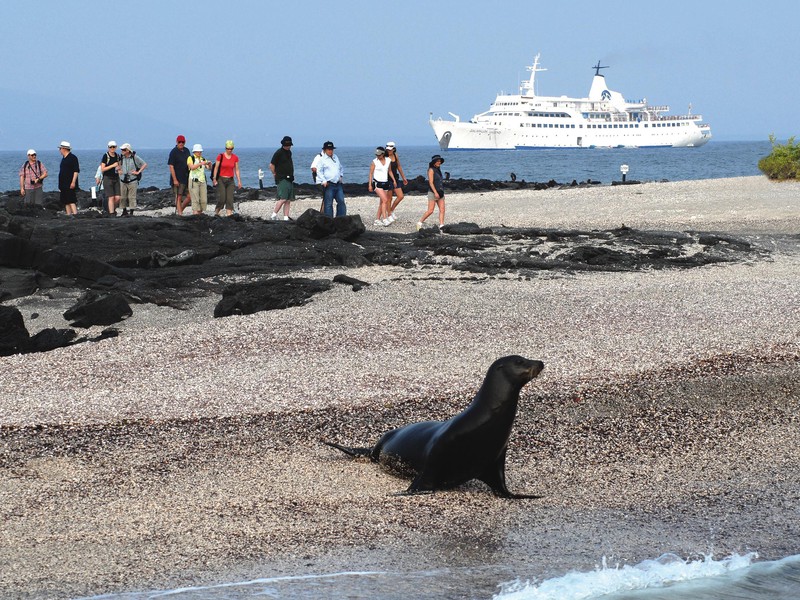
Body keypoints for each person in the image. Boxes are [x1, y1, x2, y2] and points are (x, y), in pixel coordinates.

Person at [368, 146, 396, 227]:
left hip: (385, 183)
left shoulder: (388, 160)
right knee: (385, 200)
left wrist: (394, 180)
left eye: (379, 155)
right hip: (377, 183)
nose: (378, 156)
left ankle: (377, 219)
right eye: (377, 155)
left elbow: (389, 171)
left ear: (383, 154)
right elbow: (370, 173)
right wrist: (370, 184)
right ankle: (384, 219)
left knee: (382, 202)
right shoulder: (374, 162)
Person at [212, 140, 242, 217]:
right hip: (221, 179)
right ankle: (217, 211)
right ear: (225, 148)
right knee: (222, 198)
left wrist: (239, 181)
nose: (229, 150)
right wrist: (214, 178)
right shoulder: (220, 156)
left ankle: (229, 214)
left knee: (229, 199)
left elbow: (237, 170)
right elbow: (216, 167)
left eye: (231, 149)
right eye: (228, 149)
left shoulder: (235, 157)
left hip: (230, 180)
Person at [269, 135, 295, 220]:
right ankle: (273, 215)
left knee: (288, 200)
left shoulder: (289, 152)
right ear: (283, 144)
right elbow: (271, 165)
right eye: (286, 145)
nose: (288, 146)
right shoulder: (278, 153)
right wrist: (275, 174)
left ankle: (286, 217)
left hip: (289, 178)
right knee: (283, 198)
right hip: (282, 178)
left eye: (289, 145)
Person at [417, 154, 446, 231]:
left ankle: (441, 225)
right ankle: (420, 222)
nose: (439, 162)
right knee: (430, 210)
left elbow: (439, 181)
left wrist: (441, 191)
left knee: (442, 209)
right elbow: (431, 182)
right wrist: (435, 192)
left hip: (440, 191)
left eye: (440, 161)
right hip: (433, 192)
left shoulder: (438, 170)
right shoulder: (431, 170)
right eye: (437, 161)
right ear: (434, 162)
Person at [317, 141, 346, 217]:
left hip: (338, 183)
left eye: (331, 149)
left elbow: (340, 167)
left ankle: (341, 219)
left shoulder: (335, 157)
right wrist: (323, 180)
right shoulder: (322, 159)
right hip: (329, 184)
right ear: (325, 150)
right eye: (328, 149)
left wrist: (341, 176)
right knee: (328, 204)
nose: (330, 151)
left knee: (341, 201)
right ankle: (329, 220)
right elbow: (319, 171)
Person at [118, 143, 147, 217]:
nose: (122, 151)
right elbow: (118, 165)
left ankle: (131, 212)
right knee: (123, 196)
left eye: (124, 149)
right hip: (122, 180)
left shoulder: (134, 157)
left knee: (132, 197)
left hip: (132, 180)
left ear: (128, 150)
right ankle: (124, 211)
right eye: (122, 149)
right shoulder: (121, 157)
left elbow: (144, 164)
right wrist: (119, 171)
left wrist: (138, 172)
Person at [168, 135, 191, 215]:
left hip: (186, 177)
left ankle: (180, 210)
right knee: (179, 196)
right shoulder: (173, 152)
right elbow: (171, 166)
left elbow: (189, 163)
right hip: (177, 178)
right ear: (176, 142)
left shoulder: (187, 150)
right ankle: (180, 213)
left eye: (182, 142)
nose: (181, 143)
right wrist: (174, 179)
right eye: (179, 142)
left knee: (189, 196)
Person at [386, 141, 408, 222]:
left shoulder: (395, 155)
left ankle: (391, 210)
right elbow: (388, 170)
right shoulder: (385, 157)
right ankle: (388, 215)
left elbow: (399, 166)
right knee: (389, 198)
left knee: (400, 196)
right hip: (387, 179)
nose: (389, 151)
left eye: (390, 149)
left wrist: (403, 177)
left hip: (396, 177)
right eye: (388, 149)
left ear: (394, 149)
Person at [187, 143, 211, 215]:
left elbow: (209, 168)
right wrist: (200, 164)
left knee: (203, 200)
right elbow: (192, 167)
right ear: (194, 152)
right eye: (198, 151)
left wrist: (209, 165)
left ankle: (200, 214)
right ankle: (195, 214)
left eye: (200, 151)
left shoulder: (203, 159)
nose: (199, 153)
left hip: (202, 181)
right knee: (195, 200)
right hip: (194, 181)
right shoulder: (190, 158)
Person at [99, 141, 122, 215]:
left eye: (114, 147)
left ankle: (112, 209)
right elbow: (102, 169)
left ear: (116, 147)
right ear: (108, 148)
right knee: (111, 197)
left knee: (118, 197)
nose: (112, 148)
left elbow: (119, 166)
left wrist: (119, 169)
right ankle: (111, 213)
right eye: (111, 147)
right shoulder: (106, 156)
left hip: (116, 178)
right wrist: (112, 165)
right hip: (108, 178)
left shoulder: (118, 156)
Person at [57, 141, 80, 216]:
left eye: (60, 148)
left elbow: (76, 171)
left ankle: (75, 214)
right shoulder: (64, 158)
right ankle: (68, 215)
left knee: (71, 200)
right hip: (63, 183)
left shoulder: (73, 158)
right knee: (65, 201)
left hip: (69, 183)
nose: (59, 150)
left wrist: (73, 182)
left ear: (64, 149)